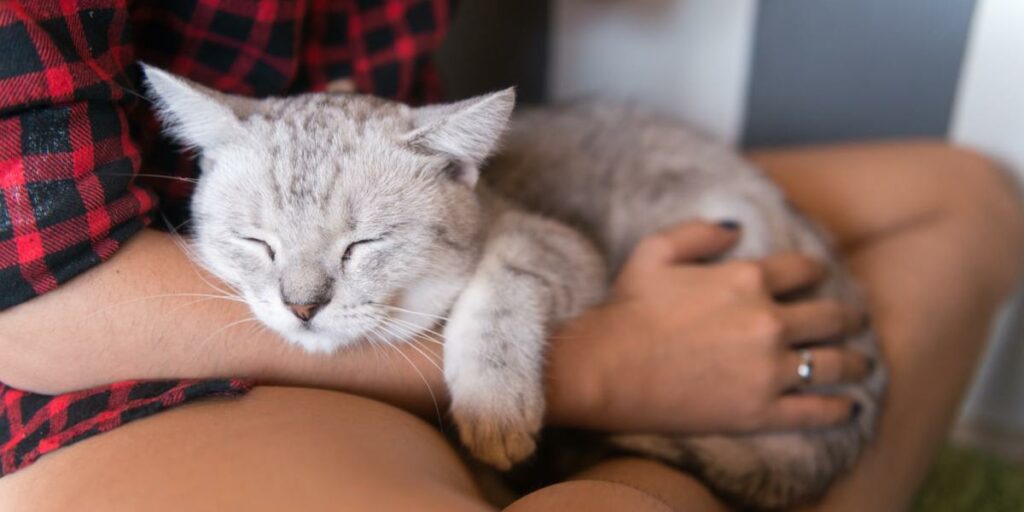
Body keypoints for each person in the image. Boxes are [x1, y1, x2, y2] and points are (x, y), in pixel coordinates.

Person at [0, 1, 1021, 510]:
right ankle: (650, 484)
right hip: (144, 348)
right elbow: (35, 308)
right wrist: (624, 369)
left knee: (969, 200)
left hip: (425, 244)